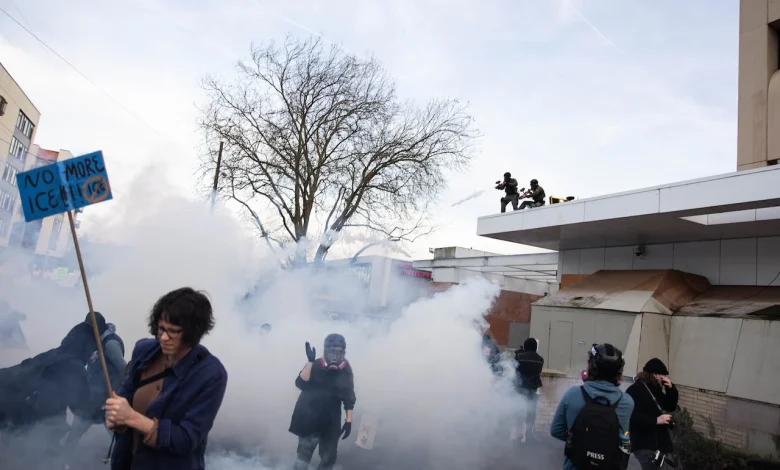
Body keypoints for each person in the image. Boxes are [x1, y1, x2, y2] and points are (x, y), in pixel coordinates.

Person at [104, 287, 228, 470]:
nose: (163, 337)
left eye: (173, 331)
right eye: (161, 328)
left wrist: (131, 417)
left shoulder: (211, 375)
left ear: (192, 333)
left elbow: (186, 440)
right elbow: (124, 397)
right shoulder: (145, 351)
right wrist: (114, 417)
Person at [551, 343, 634, 470]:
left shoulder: (573, 394)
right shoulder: (627, 402)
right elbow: (623, 439)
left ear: (591, 366)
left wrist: (578, 439)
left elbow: (556, 430)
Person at [62, 313, 127, 463]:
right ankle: (63, 459)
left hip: (105, 398)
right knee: (77, 430)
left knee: (114, 434)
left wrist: (116, 393)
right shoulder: (96, 342)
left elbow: (124, 370)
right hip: (92, 398)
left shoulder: (110, 344)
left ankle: (122, 461)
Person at [289, 334, 356, 470]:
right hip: (309, 417)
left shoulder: (346, 369)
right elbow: (300, 383)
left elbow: (349, 396)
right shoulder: (315, 365)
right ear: (325, 350)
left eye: (338, 351)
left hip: (330, 421)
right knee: (303, 458)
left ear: (343, 352)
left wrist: (348, 421)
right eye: (331, 351)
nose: (334, 355)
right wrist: (310, 362)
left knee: (329, 458)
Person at [626, 359, 679, 469]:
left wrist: (671, 389)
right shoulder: (635, 390)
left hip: (659, 443)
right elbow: (631, 416)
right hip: (643, 444)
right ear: (655, 374)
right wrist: (656, 420)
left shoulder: (656, 389)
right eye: (663, 375)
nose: (665, 378)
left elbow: (670, 406)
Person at [514, 338, 544, 443]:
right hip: (532, 390)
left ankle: (518, 436)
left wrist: (517, 355)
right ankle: (529, 436)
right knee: (531, 414)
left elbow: (515, 370)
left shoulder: (520, 357)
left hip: (521, 389)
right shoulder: (540, 359)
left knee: (519, 413)